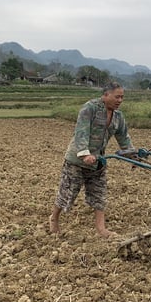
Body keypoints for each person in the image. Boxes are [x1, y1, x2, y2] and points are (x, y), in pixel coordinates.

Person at [49, 81, 133, 238]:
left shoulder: (118, 117)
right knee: (67, 192)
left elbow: (124, 138)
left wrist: (132, 155)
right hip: (77, 160)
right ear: (106, 95)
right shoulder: (90, 108)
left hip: (98, 161)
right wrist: (85, 153)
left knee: (99, 194)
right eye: (117, 97)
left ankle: (101, 228)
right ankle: (54, 218)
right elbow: (81, 131)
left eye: (122, 97)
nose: (120, 100)